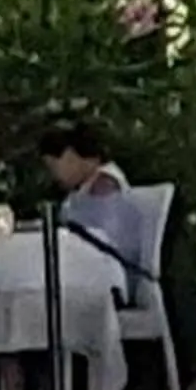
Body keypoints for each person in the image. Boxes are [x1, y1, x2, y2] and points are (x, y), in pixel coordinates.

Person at [40, 119, 148, 293]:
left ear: (70, 155)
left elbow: (101, 237)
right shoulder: (84, 189)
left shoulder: (104, 185)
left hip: (108, 280)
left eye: (53, 166)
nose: (53, 175)